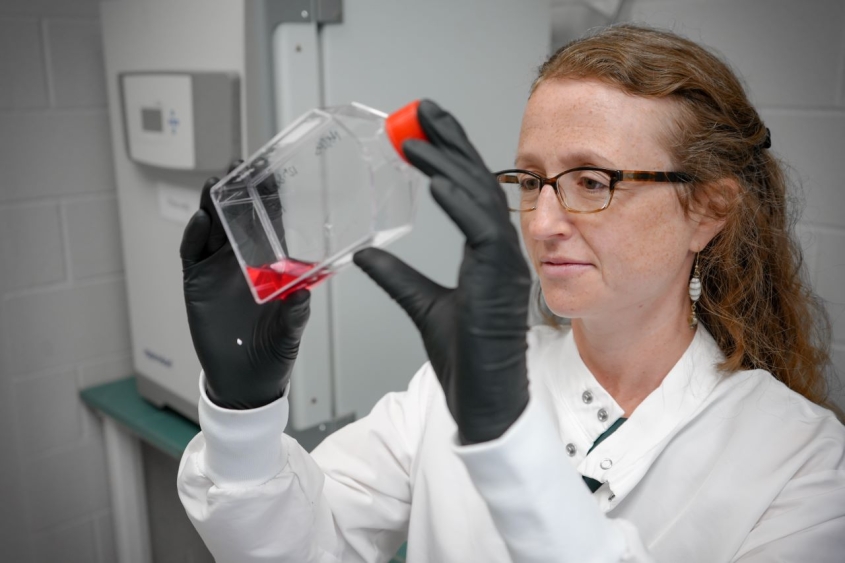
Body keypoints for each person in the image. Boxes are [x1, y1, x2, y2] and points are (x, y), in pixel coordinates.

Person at [177, 24, 845, 562]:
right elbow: (299, 546)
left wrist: (504, 433)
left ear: (706, 209)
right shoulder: (447, 388)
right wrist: (244, 416)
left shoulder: (802, 463)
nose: (545, 221)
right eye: (530, 182)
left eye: (591, 181)